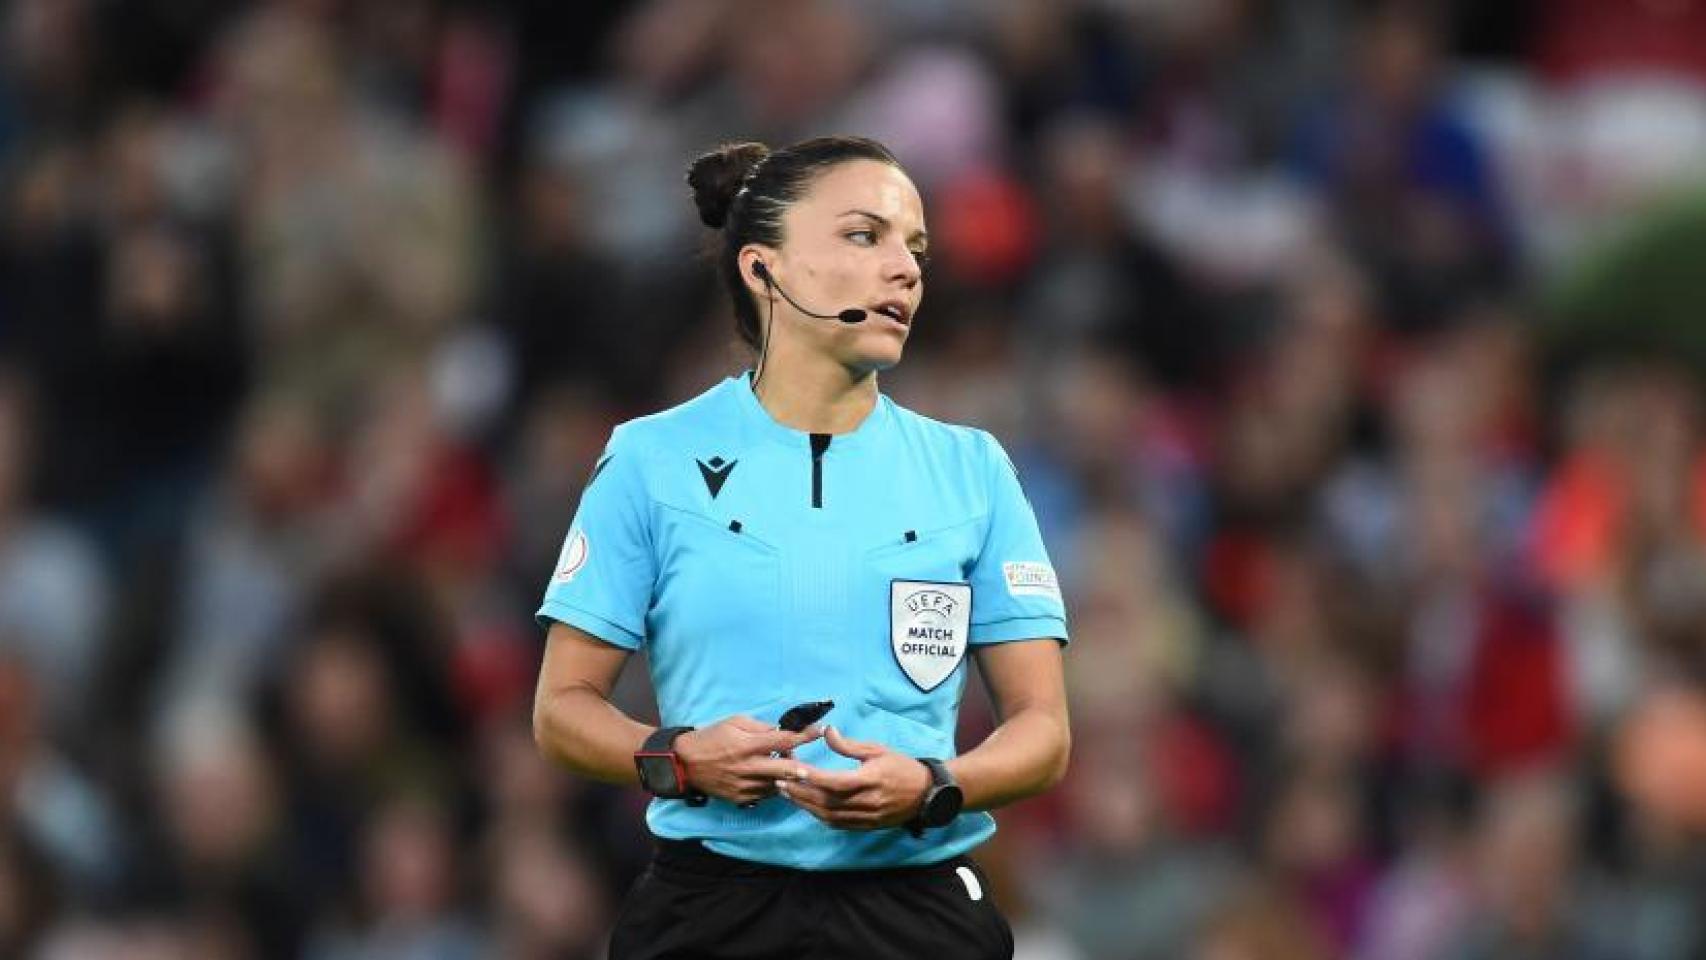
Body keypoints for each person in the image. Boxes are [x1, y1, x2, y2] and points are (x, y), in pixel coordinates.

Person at [532, 135, 1070, 960]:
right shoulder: (651, 460)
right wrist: (679, 758)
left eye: (915, 249)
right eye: (865, 236)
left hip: (918, 911)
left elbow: (1043, 730)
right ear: (764, 268)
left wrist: (934, 783)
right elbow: (561, 711)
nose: (905, 269)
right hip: (708, 911)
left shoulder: (974, 469)